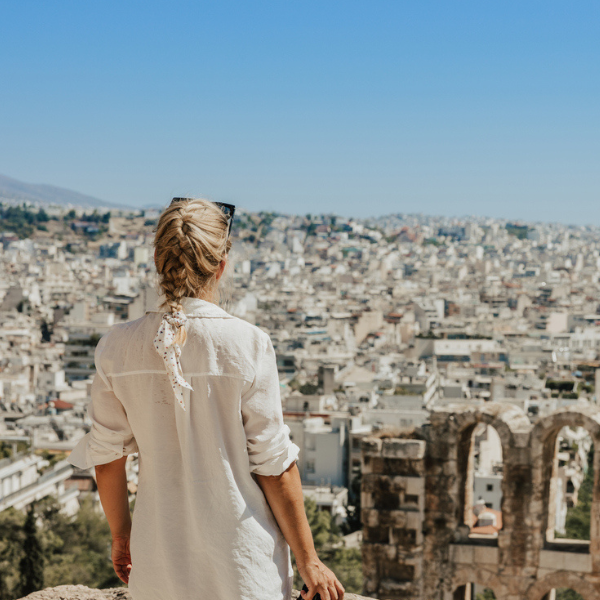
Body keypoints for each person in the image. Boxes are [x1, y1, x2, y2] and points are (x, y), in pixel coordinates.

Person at [67, 198, 345, 600]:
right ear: (221, 265)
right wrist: (309, 561)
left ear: (158, 261)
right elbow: (274, 466)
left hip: (158, 567)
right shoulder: (247, 344)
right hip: (244, 568)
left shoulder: (116, 347)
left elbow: (108, 457)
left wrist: (123, 537)